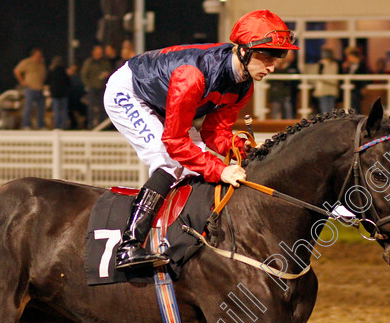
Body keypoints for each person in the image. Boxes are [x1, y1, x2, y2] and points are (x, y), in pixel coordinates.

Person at [103, 9, 297, 269]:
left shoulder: (243, 84)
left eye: (279, 57)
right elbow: (175, 142)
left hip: (163, 101)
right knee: (168, 160)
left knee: (198, 157)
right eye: (267, 57)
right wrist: (221, 171)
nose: (273, 67)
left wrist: (243, 147)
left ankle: (176, 236)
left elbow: (214, 132)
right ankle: (129, 246)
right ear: (243, 51)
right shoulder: (192, 76)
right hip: (129, 92)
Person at [14, 48, 47, 129]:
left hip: (40, 89)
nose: (39, 56)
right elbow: (17, 70)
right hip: (30, 88)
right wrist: (22, 81)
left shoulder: (41, 63)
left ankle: (41, 125)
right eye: (38, 55)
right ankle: (26, 125)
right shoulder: (27, 62)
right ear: (33, 55)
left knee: (41, 109)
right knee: (28, 108)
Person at [81, 45, 112, 128]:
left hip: (103, 89)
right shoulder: (89, 62)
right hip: (93, 89)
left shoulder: (105, 62)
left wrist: (106, 76)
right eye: (97, 53)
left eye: (100, 53)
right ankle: (91, 125)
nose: (99, 54)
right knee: (91, 108)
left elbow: (110, 72)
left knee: (103, 108)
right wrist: (89, 86)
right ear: (93, 53)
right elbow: (84, 75)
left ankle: (102, 126)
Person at [268, 49, 298, 119]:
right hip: (276, 91)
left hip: (286, 91)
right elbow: (269, 78)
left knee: (288, 107)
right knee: (276, 108)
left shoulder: (291, 66)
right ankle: (275, 123)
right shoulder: (273, 67)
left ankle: (289, 122)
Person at [45, 56, 70, 130]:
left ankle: (57, 126)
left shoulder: (52, 71)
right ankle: (64, 125)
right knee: (64, 111)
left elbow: (47, 81)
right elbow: (68, 82)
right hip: (63, 94)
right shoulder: (63, 71)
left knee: (56, 111)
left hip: (55, 94)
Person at [342, 47, 369, 113]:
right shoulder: (349, 66)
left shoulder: (363, 65)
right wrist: (344, 69)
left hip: (358, 89)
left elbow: (365, 77)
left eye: (349, 56)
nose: (348, 58)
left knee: (357, 105)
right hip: (350, 89)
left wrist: (363, 87)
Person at [314, 49, 340, 114]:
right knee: (325, 109)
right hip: (323, 89)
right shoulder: (321, 64)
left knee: (331, 109)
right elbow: (319, 76)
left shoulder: (334, 64)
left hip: (332, 89)